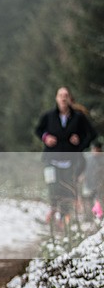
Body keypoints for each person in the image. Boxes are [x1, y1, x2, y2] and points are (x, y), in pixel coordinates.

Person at [35, 86, 97, 219]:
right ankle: (52, 212)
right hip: (51, 159)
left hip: (71, 161)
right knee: (53, 186)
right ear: (56, 98)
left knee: (67, 189)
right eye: (60, 95)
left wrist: (80, 143)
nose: (63, 98)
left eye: (66, 95)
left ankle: (64, 218)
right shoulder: (48, 116)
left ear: (70, 99)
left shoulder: (78, 117)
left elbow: (91, 134)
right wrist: (46, 138)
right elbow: (38, 130)